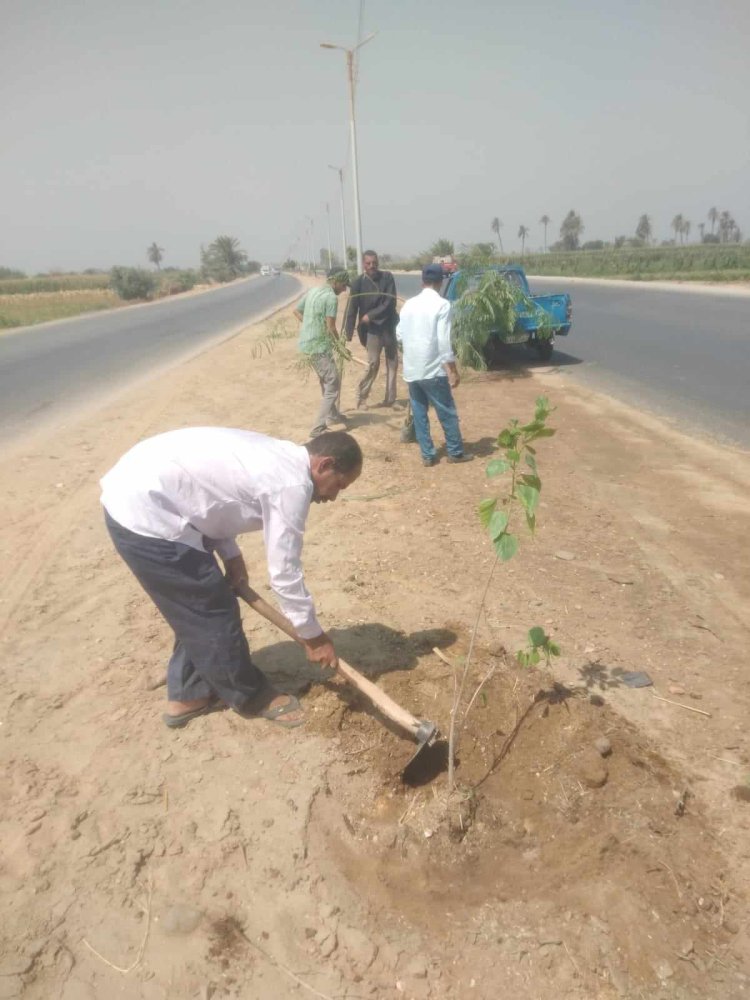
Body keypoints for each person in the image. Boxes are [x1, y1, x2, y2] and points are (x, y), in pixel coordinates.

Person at [100, 428, 363, 729]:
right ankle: (243, 697)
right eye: (338, 485)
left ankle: (188, 683)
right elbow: (284, 572)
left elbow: (214, 500)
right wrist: (313, 636)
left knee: (195, 604)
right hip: (145, 513)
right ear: (324, 465)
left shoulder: (282, 456)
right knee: (212, 609)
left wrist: (231, 556)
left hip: (143, 491)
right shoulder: (292, 484)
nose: (333, 497)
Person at [395, 263, 474, 467]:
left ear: (422, 281)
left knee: (420, 413)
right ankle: (455, 451)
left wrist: (413, 349)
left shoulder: (408, 305)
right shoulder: (442, 305)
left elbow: (399, 335)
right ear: (440, 282)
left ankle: (428, 455)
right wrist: (453, 370)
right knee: (446, 410)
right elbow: (443, 341)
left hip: (412, 370)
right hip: (432, 370)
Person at [294, 269, 351, 437]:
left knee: (326, 380)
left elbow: (296, 311)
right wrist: (341, 347)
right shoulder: (331, 298)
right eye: (343, 286)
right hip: (318, 347)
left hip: (307, 344)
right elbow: (331, 327)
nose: (344, 290)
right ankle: (318, 427)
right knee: (333, 382)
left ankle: (333, 415)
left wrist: (309, 325)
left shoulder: (313, 291)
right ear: (336, 282)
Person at [344, 250, 399, 408]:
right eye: (368, 263)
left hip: (389, 327)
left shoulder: (387, 277)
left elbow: (390, 302)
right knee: (373, 364)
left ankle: (391, 399)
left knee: (392, 362)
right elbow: (352, 309)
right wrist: (347, 334)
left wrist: (371, 315)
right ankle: (362, 398)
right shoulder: (357, 283)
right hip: (371, 331)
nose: (372, 266)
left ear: (378, 263)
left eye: (374, 263)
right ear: (363, 264)